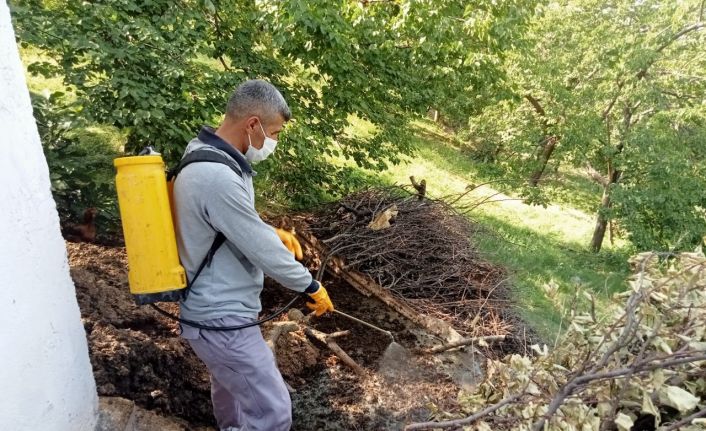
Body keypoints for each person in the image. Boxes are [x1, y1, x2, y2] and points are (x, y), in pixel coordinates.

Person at [172, 79, 334, 431]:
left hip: (211, 315)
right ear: (252, 124)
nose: (272, 141)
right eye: (273, 132)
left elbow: (225, 222)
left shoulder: (205, 152)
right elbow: (262, 251)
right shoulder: (216, 175)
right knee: (273, 414)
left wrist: (268, 230)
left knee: (231, 394)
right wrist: (309, 285)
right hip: (222, 319)